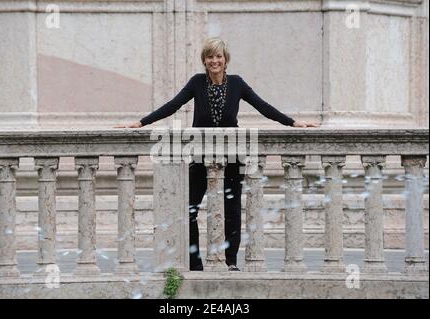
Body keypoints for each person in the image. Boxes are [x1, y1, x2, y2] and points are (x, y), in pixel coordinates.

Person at [115, 37, 319, 271]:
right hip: (201, 156)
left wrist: (293, 123)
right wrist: (140, 123)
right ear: (204, 60)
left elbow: (263, 106)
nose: (215, 60)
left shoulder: (237, 83)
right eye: (210, 56)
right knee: (189, 209)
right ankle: (195, 263)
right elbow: (172, 105)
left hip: (232, 156)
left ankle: (230, 261)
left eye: (218, 56)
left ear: (225, 60)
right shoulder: (197, 83)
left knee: (231, 211)